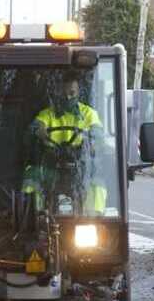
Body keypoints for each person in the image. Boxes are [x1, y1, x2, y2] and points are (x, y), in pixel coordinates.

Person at [22, 72, 107, 215]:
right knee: (31, 177)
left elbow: (97, 134)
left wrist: (93, 139)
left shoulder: (89, 114)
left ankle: (96, 221)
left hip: (80, 170)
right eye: (64, 93)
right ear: (58, 93)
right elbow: (34, 127)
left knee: (97, 183)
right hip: (50, 168)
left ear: (79, 92)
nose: (68, 97)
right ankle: (32, 217)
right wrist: (38, 130)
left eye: (72, 93)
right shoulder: (47, 114)